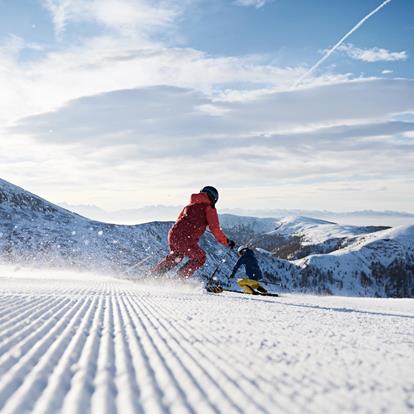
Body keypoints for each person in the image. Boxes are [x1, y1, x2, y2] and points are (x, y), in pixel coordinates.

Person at [152, 186, 235, 278]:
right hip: (185, 239)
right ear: (214, 198)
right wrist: (227, 242)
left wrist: (178, 237)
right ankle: (179, 279)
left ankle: (152, 276)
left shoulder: (189, 206)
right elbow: (215, 228)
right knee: (200, 258)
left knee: (176, 257)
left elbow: (179, 221)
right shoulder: (209, 208)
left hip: (173, 234)